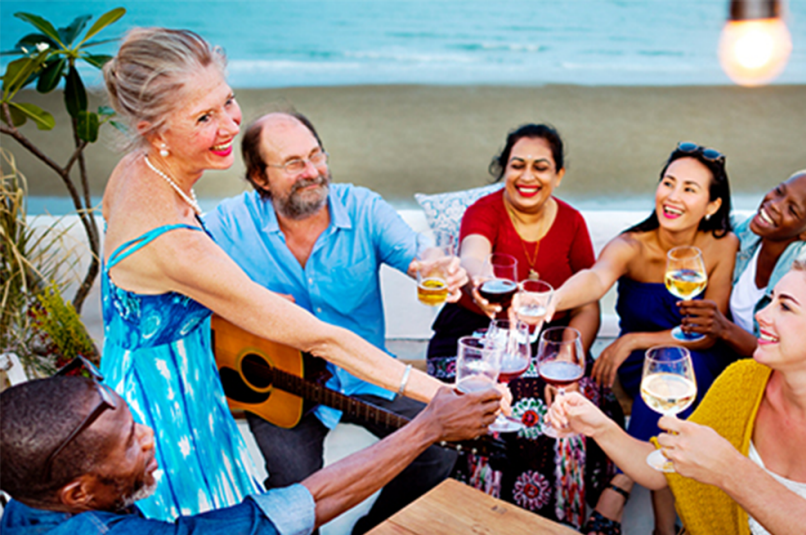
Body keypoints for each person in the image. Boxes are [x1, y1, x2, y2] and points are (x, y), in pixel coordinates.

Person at [99, 28, 455, 521]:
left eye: (228, 101)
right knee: (208, 519)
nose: (228, 125)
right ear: (153, 130)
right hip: (164, 402)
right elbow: (320, 338)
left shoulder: (136, 168)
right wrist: (443, 395)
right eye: (204, 117)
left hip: (157, 369)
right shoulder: (174, 243)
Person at [203, 110, 466, 534]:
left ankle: (369, 529)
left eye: (315, 155)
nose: (312, 172)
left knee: (441, 449)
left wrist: (435, 266)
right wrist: (243, 303)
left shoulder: (362, 208)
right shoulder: (227, 223)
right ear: (259, 178)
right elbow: (174, 281)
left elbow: (419, 255)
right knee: (293, 491)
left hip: (364, 374)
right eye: (292, 164)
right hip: (279, 384)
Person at [549, 258, 806, 535]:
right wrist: (599, 426)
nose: (763, 315)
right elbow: (663, 467)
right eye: (770, 299)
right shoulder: (742, 382)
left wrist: (730, 470)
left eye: (785, 307)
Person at [0, 373, 501, 534]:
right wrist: (427, 427)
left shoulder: (31, 499)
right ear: (78, 491)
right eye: (131, 442)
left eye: (137, 423)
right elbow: (298, 508)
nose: (152, 437)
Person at [547, 142, 739, 535]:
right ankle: (666, 528)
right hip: (642, 368)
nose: (673, 196)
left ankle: (621, 487)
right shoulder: (631, 245)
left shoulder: (722, 245)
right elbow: (596, 279)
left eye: (689, 189)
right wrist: (550, 300)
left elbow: (705, 334)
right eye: (668, 183)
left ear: (712, 205)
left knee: (673, 374)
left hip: (699, 358)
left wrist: (634, 340)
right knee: (665, 382)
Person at [425, 124, 611, 527]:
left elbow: (589, 301)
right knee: (511, 404)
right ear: (502, 169)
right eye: (517, 165)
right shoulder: (485, 210)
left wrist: (564, 360)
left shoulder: (573, 222)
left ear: (558, 175)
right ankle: (483, 521)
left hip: (550, 339)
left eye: (541, 167)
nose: (528, 177)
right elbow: (474, 255)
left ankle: (564, 522)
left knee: (575, 406)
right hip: (474, 335)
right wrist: (482, 282)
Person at [677, 169, 806, 355]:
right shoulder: (743, 232)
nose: (774, 204)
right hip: (726, 356)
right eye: (779, 191)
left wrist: (724, 329)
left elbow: (787, 355)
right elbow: (699, 222)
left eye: (792, 209)